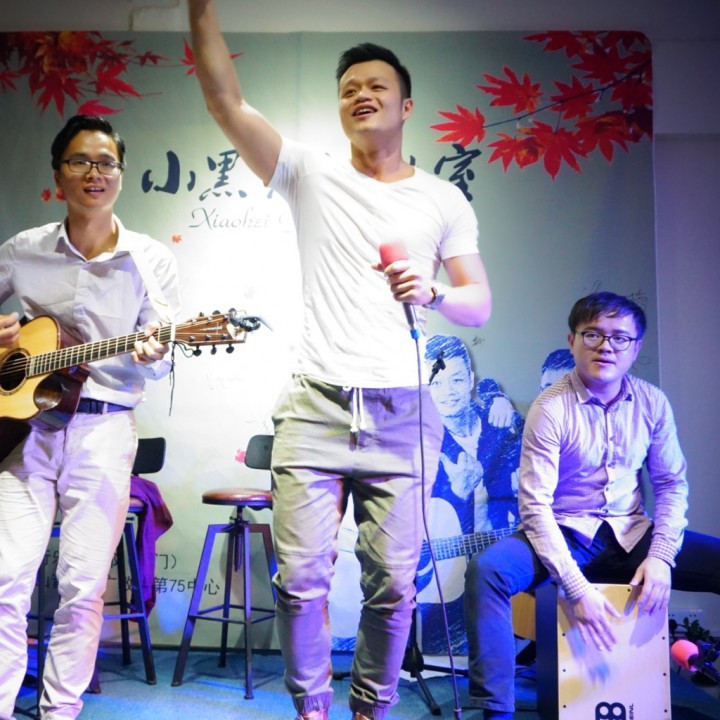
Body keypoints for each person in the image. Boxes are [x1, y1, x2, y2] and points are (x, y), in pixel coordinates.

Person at [188, 3, 492, 719]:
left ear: (406, 105)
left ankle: (370, 709)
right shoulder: (308, 172)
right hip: (315, 407)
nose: (362, 94)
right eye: (349, 87)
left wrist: (436, 291)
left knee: (394, 584)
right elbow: (225, 101)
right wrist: (200, 8)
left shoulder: (442, 198)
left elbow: (478, 303)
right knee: (299, 582)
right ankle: (312, 709)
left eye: (377, 86)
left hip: (403, 412)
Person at [463, 291, 720, 720]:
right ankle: (496, 712)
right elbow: (535, 506)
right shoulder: (550, 408)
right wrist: (576, 588)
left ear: (635, 347)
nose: (606, 347)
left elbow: (671, 484)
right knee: (487, 571)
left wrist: (661, 556)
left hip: (633, 534)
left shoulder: (653, 403)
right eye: (593, 334)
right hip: (563, 533)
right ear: (572, 340)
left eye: (620, 338)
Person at [0, 114, 180, 720]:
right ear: (58, 175)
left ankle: (60, 710)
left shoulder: (150, 260)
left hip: (104, 429)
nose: (94, 173)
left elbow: (162, 354)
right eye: (80, 161)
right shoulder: (22, 250)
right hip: (23, 433)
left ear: (120, 176)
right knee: (5, 579)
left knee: (81, 589)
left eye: (106, 163)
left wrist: (155, 354)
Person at [418, 335, 521, 654]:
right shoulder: (420, 439)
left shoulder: (500, 424)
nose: (447, 392)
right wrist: (459, 494)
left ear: (471, 379)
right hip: (442, 579)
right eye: (436, 383)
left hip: (500, 559)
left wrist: (496, 395)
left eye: (457, 380)